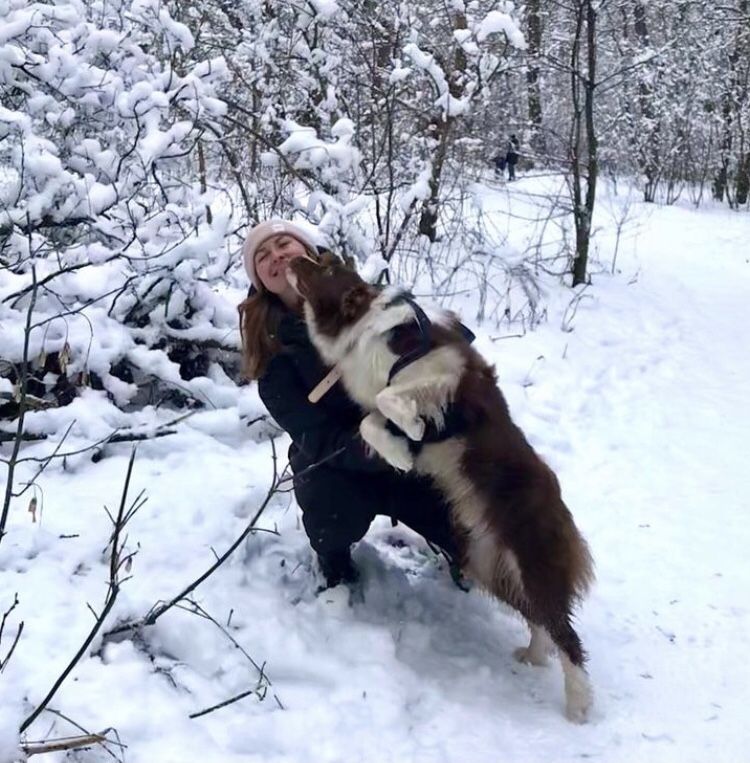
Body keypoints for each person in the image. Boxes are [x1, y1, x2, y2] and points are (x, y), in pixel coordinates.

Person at [238, 219, 460, 590]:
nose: (276, 256)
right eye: (263, 257)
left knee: (465, 518)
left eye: (283, 244)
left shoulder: (361, 296)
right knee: (331, 516)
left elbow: (436, 348)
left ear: (307, 250)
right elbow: (317, 438)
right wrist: (383, 443)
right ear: (261, 281)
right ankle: (333, 561)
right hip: (340, 463)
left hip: (411, 446)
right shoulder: (273, 356)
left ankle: (461, 553)